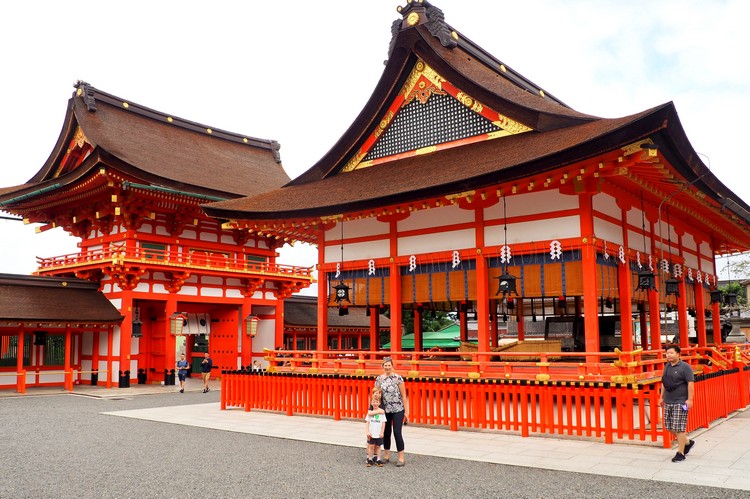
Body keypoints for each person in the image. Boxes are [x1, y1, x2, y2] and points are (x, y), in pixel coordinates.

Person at [659, 345, 695, 462]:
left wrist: (690, 399)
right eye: (667, 353)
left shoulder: (685, 367)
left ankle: (680, 452)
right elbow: (664, 382)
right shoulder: (667, 367)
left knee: (679, 428)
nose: (668, 355)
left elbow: (690, 384)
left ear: (678, 354)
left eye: (671, 353)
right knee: (668, 426)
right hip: (668, 400)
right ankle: (687, 442)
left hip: (680, 401)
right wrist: (661, 397)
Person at [374, 356, 409, 467]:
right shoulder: (379, 379)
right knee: (386, 432)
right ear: (383, 366)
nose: (387, 367)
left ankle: (401, 457)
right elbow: (376, 394)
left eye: (389, 365)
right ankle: (386, 455)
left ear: (392, 366)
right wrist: (375, 409)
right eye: (385, 365)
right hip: (385, 409)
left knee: (397, 432)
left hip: (398, 409)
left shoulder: (398, 378)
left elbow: (404, 396)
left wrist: (406, 412)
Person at [365, 394, 386, 467]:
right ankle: (370, 459)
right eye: (373, 402)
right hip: (372, 433)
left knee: (378, 446)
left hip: (378, 433)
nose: (375, 403)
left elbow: (383, 423)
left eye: (377, 402)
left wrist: (382, 432)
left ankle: (378, 459)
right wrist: (367, 431)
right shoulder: (370, 412)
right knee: (371, 446)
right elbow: (367, 422)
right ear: (371, 403)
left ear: (379, 403)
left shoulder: (382, 413)